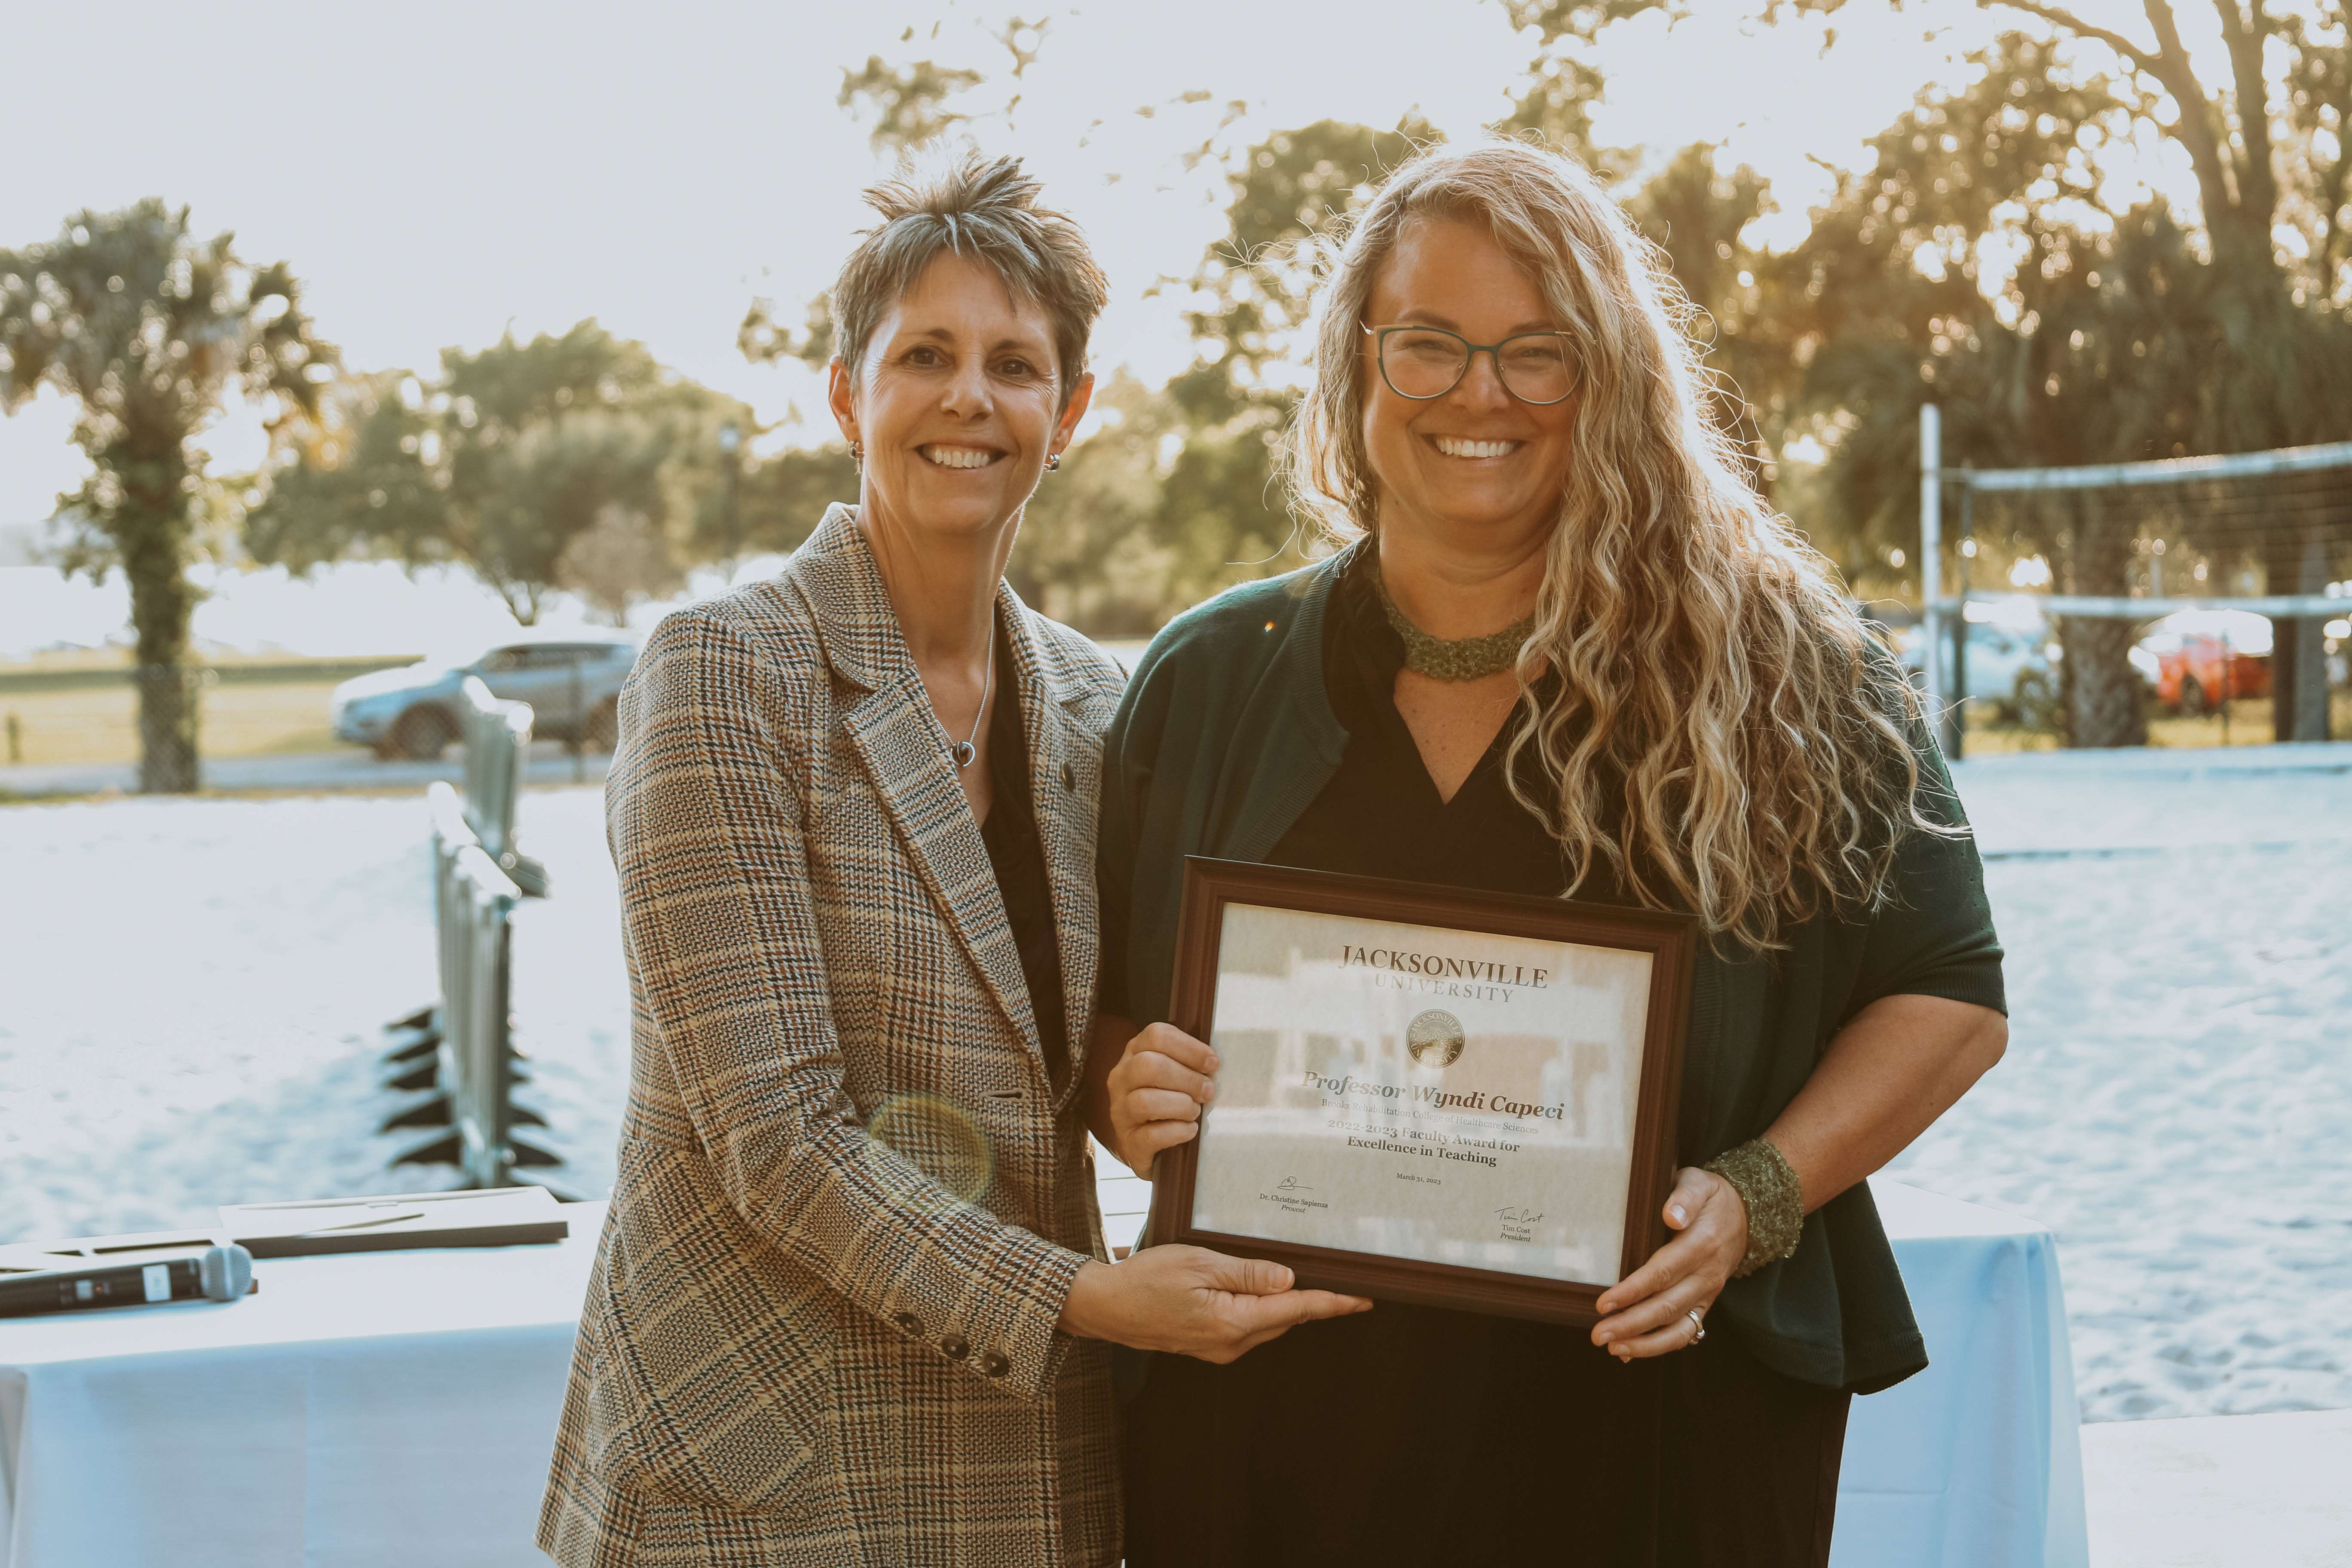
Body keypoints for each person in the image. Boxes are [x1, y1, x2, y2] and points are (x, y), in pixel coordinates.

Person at [1090, 138, 2009, 1568]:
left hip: (1655, 1433)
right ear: (1354, 366)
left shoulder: (1787, 671)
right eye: (1430, 345)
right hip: (1276, 1436)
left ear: (1614, 377)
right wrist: (1119, 1081)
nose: (1482, 392)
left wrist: (1757, 1199)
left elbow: (1949, 996)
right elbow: (1094, 1018)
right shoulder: (1213, 679)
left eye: (1541, 351)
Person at [539, 152, 1363, 1568]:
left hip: (1035, 1478)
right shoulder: (722, 674)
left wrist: (1139, 1085)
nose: (970, 398)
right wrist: (1100, 1304)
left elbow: (1085, 1065)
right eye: (926, 355)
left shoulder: (1103, 707)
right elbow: (777, 1141)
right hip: (766, 1471)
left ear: (1073, 413)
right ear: (850, 391)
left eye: (1016, 364)